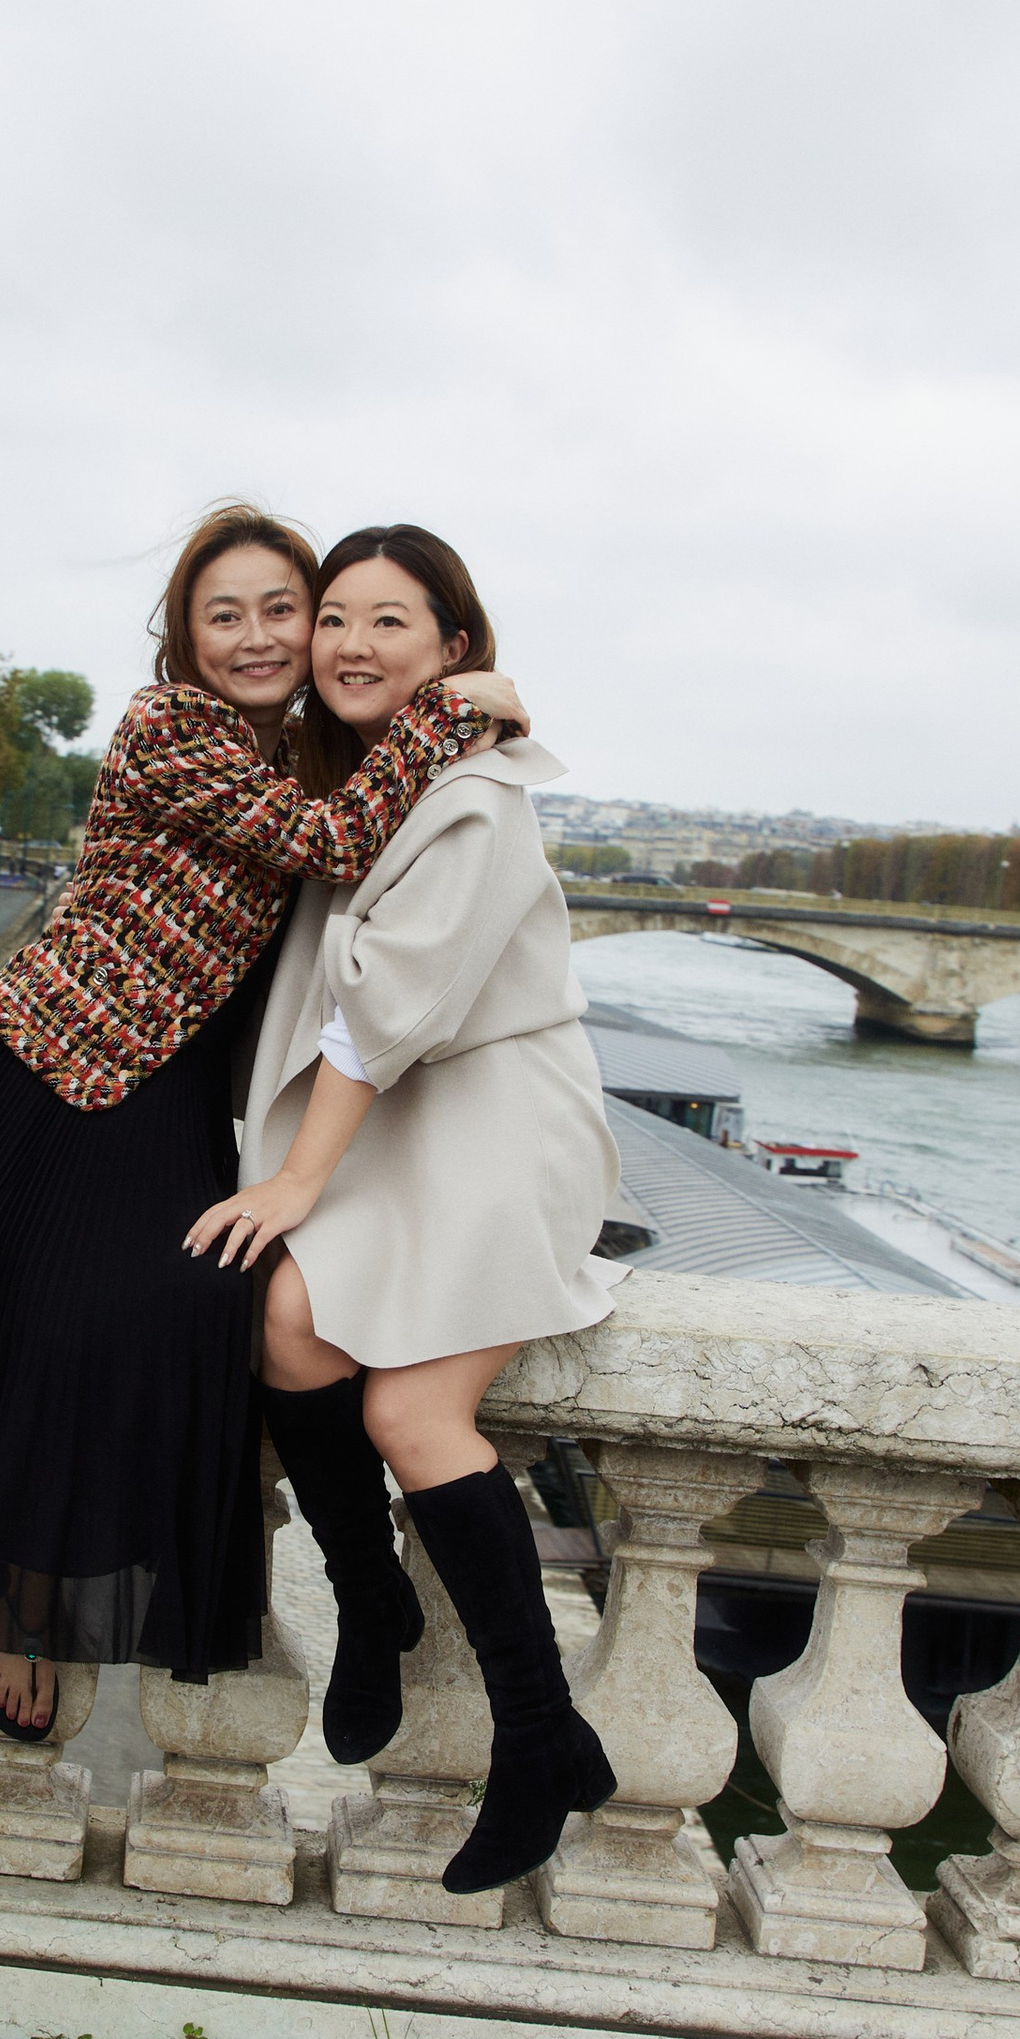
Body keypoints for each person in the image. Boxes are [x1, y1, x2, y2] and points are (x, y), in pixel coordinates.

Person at [0, 507, 532, 1732]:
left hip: (162, 1089)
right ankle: (14, 1595)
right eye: (228, 615)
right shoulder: (172, 728)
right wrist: (460, 697)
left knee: (182, 1314)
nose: (264, 636)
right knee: (35, 1322)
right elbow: (334, 840)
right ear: (185, 634)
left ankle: (357, 1596)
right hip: (34, 1063)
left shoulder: (316, 751)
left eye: (288, 609)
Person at [186, 524, 623, 1895]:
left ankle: (542, 1740)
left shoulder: (478, 798)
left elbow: (389, 1015)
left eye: (394, 623)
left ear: (453, 647)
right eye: (340, 621)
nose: (353, 645)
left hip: (490, 1123)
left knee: (408, 1414)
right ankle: (374, 1606)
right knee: (284, 1325)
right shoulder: (350, 774)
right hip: (397, 1126)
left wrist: (302, 1178)